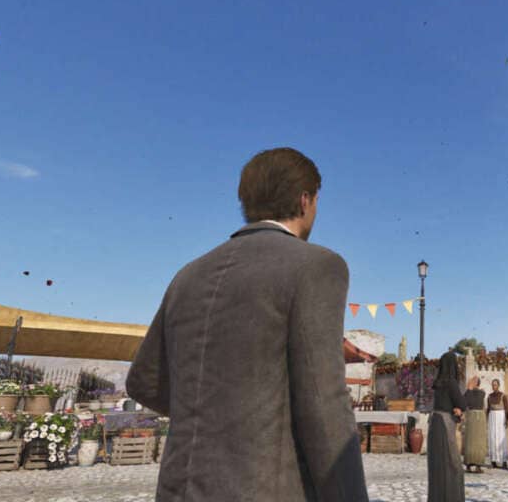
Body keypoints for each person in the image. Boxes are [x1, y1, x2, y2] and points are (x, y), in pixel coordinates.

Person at [126, 148, 367, 502]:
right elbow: (323, 404)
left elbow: (144, 382)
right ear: (305, 200)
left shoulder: (188, 275)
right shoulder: (316, 266)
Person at [428, 351, 465, 502]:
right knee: (453, 466)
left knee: (438, 466)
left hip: (435, 424)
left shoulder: (438, 383)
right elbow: (461, 403)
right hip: (445, 425)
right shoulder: (451, 383)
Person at [463, 377, 488, 473]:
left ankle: (476, 465)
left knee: (478, 442)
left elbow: (467, 401)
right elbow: (465, 401)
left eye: (472, 381)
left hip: (476, 418)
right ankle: (470, 465)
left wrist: (469, 389)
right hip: (474, 418)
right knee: (471, 441)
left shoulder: (479, 393)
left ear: (476, 383)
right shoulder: (480, 392)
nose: (470, 382)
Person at [487, 379, 508, 469]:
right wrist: (487, 419)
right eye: (493, 385)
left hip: (501, 417)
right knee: (493, 438)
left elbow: (507, 408)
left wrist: (506, 419)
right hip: (492, 418)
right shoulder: (489, 396)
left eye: (495, 385)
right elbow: (488, 408)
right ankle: (493, 461)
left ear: (498, 385)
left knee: (501, 438)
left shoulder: (503, 396)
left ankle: (504, 461)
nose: (494, 386)